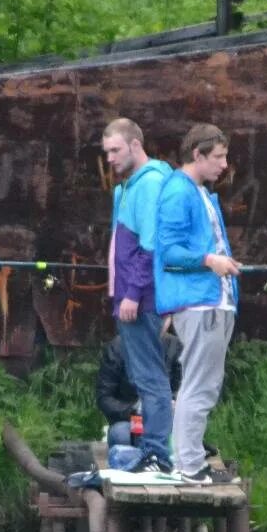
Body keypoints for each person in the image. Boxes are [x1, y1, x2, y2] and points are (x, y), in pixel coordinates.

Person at [154, 124, 241, 485]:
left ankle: (189, 462)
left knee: (205, 384)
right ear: (197, 155)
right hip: (199, 302)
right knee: (198, 385)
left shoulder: (201, 192)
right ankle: (189, 465)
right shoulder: (178, 191)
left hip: (215, 300)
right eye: (218, 157)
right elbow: (169, 253)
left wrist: (224, 265)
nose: (224, 164)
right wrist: (210, 261)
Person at [104, 118, 175, 472]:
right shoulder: (129, 186)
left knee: (150, 377)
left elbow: (149, 246)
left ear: (135, 145)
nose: (110, 158)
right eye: (107, 152)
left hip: (142, 298)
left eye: (115, 150)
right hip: (131, 297)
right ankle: (152, 449)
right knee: (143, 374)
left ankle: (157, 454)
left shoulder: (149, 185)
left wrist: (131, 293)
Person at [96, 332, 184, 447]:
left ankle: (158, 449)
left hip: (165, 419)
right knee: (121, 435)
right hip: (131, 419)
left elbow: (183, 388)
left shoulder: (175, 345)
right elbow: (104, 398)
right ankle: (152, 450)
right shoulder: (118, 346)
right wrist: (136, 409)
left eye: (163, 318)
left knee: (185, 431)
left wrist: (173, 402)